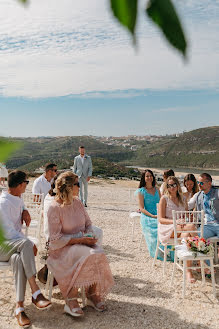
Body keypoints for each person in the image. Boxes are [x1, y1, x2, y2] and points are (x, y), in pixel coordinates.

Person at [47, 171, 114, 317]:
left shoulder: (77, 202)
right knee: (88, 255)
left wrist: (90, 235)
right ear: (69, 187)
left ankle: (91, 293)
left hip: (82, 244)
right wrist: (81, 239)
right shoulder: (54, 208)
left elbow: (88, 224)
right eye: (77, 184)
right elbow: (55, 239)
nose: (80, 186)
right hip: (62, 249)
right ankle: (71, 298)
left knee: (98, 252)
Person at [0, 170, 51, 328]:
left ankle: (19, 307)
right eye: (27, 183)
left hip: (13, 249)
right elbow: (8, 233)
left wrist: (25, 210)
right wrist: (28, 243)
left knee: (17, 259)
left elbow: (20, 205)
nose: (27, 186)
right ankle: (35, 291)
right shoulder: (2, 203)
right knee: (27, 244)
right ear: (20, 184)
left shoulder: (17, 197)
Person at [44, 177, 103, 245]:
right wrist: (82, 238)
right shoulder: (54, 203)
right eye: (77, 184)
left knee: (97, 232)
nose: (79, 187)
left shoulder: (74, 200)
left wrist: (88, 232)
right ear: (68, 187)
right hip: (60, 237)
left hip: (72, 233)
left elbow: (87, 221)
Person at [158, 176, 196, 282]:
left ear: (177, 185)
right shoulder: (164, 199)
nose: (172, 187)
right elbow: (160, 219)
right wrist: (175, 222)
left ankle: (188, 271)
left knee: (187, 237)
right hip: (168, 228)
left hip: (182, 228)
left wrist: (184, 220)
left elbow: (186, 215)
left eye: (174, 184)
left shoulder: (183, 199)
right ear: (167, 186)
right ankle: (201, 261)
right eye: (169, 185)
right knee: (192, 227)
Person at [135, 170, 160, 258]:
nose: (149, 178)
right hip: (147, 216)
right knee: (157, 227)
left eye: (151, 176)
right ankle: (157, 251)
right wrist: (152, 216)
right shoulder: (141, 191)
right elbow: (141, 208)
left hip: (158, 214)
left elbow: (161, 204)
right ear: (144, 178)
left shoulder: (157, 189)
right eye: (147, 176)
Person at [188, 173, 219, 239]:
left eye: (201, 183)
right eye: (198, 182)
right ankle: (203, 249)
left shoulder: (217, 192)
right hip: (206, 226)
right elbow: (188, 205)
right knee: (196, 238)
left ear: (209, 183)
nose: (199, 184)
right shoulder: (198, 195)